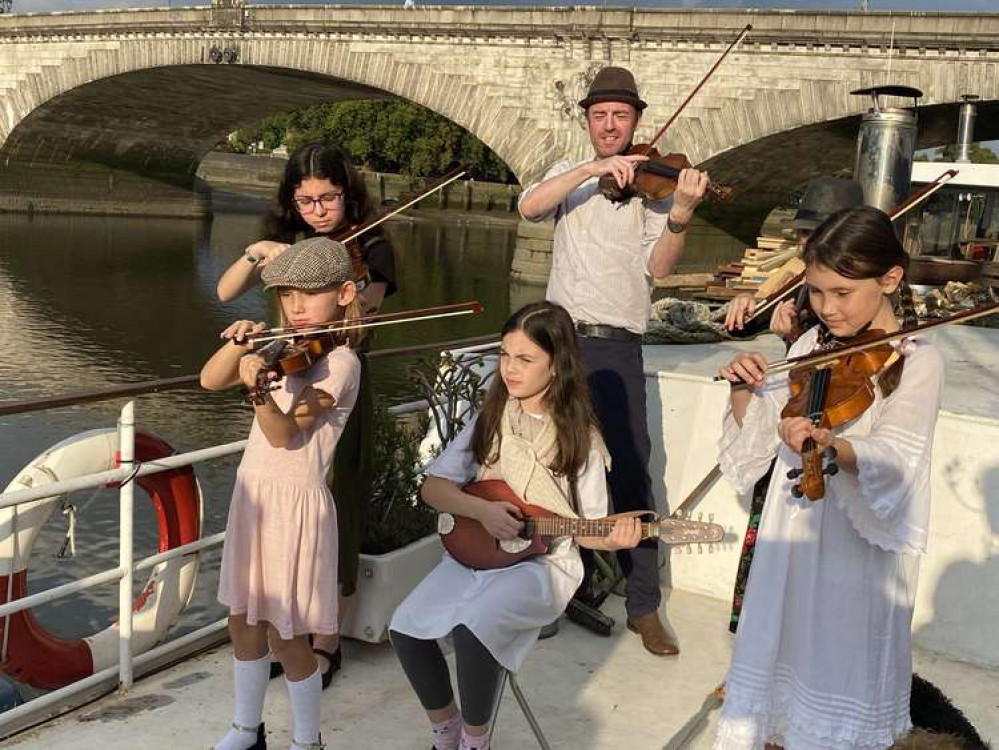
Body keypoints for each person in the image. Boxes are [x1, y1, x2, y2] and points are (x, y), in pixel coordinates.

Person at [714, 206, 944, 750]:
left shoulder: (917, 359)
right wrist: (743, 386)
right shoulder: (808, 346)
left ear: (890, 278)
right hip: (790, 538)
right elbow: (757, 443)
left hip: (852, 551)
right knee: (778, 671)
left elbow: (898, 456)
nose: (826, 308)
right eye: (817, 292)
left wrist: (834, 446)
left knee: (839, 668)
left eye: (842, 293)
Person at [389, 301, 642, 750]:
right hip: (479, 548)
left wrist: (614, 535)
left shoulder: (582, 438)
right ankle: (445, 731)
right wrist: (482, 511)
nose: (509, 368)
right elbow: (433, 489)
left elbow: (587, 529)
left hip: (544, 563)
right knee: (406, 628)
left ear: (557, 365)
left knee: (474, 628)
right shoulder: (492, 416)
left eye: (525, 359)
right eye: (505, 355)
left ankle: (475, 739)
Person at [517, 66, 708, 655]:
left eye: (620, 116)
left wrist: (680, 213)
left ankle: (644, 604)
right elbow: (528, 207)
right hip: (560, 339)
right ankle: (554, 588)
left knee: (630, 468)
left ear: (636, 122)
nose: (609, 125)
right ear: (588, 121)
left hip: (618, 341)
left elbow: (660, 269)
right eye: (599, 116)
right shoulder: (567, 177)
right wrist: (591, 170)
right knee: (553, 464)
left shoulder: (656, 188)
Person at [216, 142, 397, 688]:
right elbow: (227, 292)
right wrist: (260, 252)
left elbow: (367, 309)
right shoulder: (290, 245)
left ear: (348, 193)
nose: (317, 210)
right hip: (287, 376)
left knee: (335, 507)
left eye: (328, 198)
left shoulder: (372, 243)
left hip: (335, 385)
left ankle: (327, 642)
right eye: (305, 200)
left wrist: (342, 289)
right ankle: (284, 630)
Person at [201, 237, 363, 750]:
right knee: (243, 621)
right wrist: (240, 345)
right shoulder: (279, 347)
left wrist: (256, 390)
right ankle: (247, 729)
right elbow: (209, 380)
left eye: (308, 295)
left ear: (342, 294)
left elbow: (283, 434)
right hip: (255, 497)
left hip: (296, 506)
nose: (295, 308)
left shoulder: (340, 365)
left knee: (287, 634)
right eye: (286, 295)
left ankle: (307, 739)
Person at [721, 177, 864, 631]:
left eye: (814, 234)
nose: (805, 245)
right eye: (803, 235)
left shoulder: (862, 291)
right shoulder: (801, 286)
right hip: (792, 422)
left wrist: (791, 338)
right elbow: (778, 350)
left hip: (834, 435)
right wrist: (756, 310)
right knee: (767, 546)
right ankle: (754, 645)